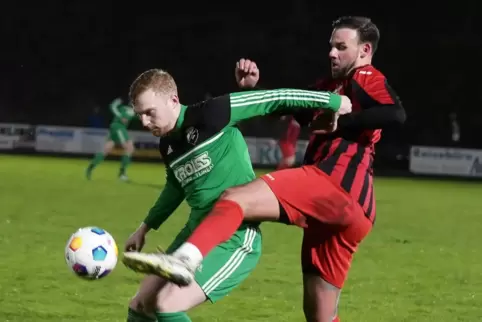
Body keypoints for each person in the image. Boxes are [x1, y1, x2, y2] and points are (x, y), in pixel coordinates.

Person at [122, 16, 406, 322]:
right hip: (338, 214)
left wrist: (341, 115)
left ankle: (188, 259)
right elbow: (292, 108)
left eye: (341, 47)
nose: (332, 53)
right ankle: (188, 256)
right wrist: (255, 88)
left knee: (236, 198)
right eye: (331, 47)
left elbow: (395, 114)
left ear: (364, 50)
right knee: (320, 316)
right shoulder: (329, 85)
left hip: (337, 185)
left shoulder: (363, 76)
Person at [123, 68, 351, 322]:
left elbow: (274, 98)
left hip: (234, 238)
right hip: (194, 235)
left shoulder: (212, 113)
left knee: (167, 305)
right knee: (141, 304)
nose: (144, 122)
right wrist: (144, 227)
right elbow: (175, 186)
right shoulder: (168, 144)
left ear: (173, 101)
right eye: (140, 115)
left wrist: (333, 101)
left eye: (149, 112)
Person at [85, 97, 136, 181]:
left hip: (115, 127)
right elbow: (123, 118)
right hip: (119, 128)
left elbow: (113, 108)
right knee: (129, 148)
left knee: (106, 150)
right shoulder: (129, 110)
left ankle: (90, 168)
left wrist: (115, 103)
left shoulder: (125, 109)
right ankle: (122, 174)